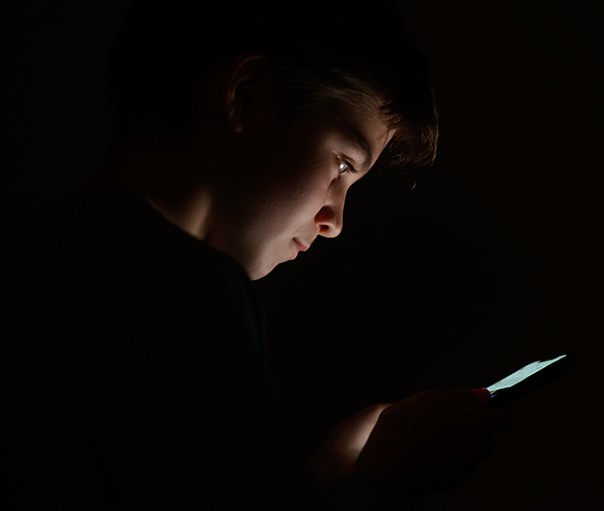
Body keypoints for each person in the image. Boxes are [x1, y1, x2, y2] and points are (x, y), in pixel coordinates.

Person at [1, 0, 514, 509]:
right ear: (245, 98)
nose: (334, 222)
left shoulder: (51, 261)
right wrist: (385, 480)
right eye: (340, 165)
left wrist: (331, 471)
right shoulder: (181, 293)